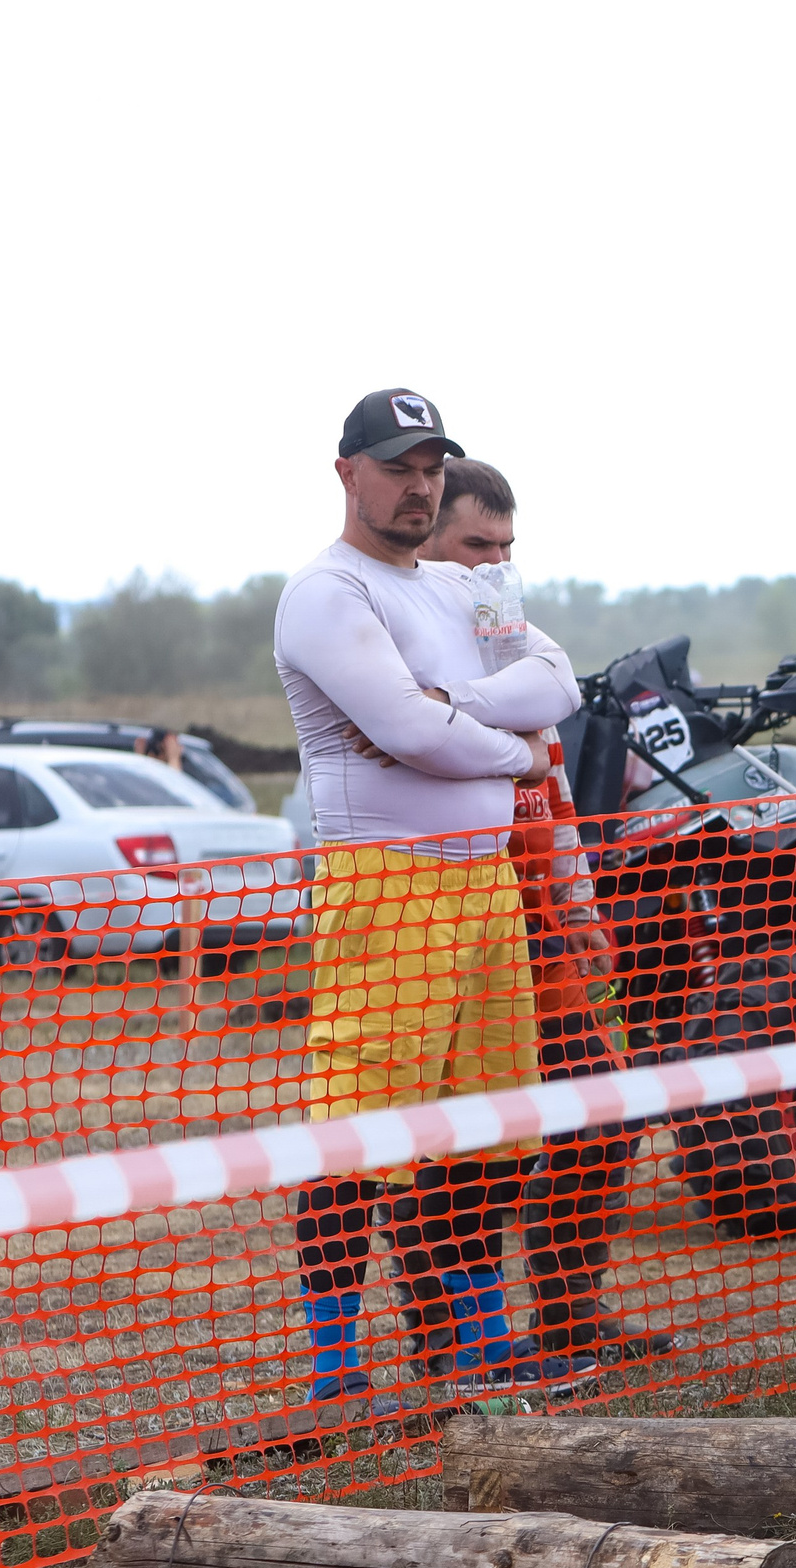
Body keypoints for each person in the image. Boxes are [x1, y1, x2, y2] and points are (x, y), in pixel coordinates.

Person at [273, 389, 577, 1404]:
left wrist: (462, 716)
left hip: (486, 884)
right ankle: (331, 1363)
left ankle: (477, 1338)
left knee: (492, 1119)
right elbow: (407, 733)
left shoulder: (459, 587)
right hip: (385, 882)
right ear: (348, 471)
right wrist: (518, 755)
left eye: (429, 468)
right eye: (397, 465)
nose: (417, 485)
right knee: (356, 1127)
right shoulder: (328, 592)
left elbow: (557, 677)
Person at [417, 457, 672, 1371]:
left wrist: (583, 904)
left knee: (604, 1113)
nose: (492, 565)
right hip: (442, 932)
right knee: (455, 1147)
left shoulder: (515, 647)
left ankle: (568, 1313)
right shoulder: (395, 653)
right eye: (474, 544)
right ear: (427, 541)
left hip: (541, 940)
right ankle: (446, 1344)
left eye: (506, 547)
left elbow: (554, 797)